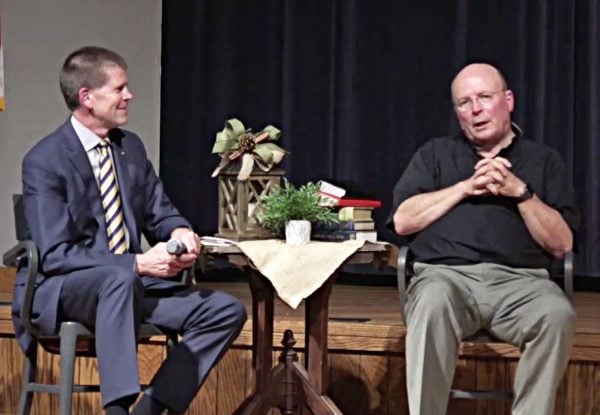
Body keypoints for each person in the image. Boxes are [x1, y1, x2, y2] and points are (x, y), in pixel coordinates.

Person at [12, 46, 247, 415]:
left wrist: (180, 233)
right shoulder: (45, 160)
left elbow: (160, 213)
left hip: (130, 288)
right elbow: (55, 255)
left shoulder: (129, 148)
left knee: (224, 310)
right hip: (69, 290)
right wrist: (136, 264)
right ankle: (117, 409)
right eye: (119, 88)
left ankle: (149, 410)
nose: (129, 96)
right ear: (87, 97)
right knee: (118, 280)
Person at [388, 63, 579, 415]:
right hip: (446, 280)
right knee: (430, 304)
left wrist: (519, 192)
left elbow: (562, 244)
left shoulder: (544, 161)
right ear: (457, 113)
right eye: (464, 102)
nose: (475, 109)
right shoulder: (435, 155)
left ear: (508, 101)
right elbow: (402, 221)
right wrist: (465, 187)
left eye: (484, 98)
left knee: (557, 315)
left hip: (522, 285)